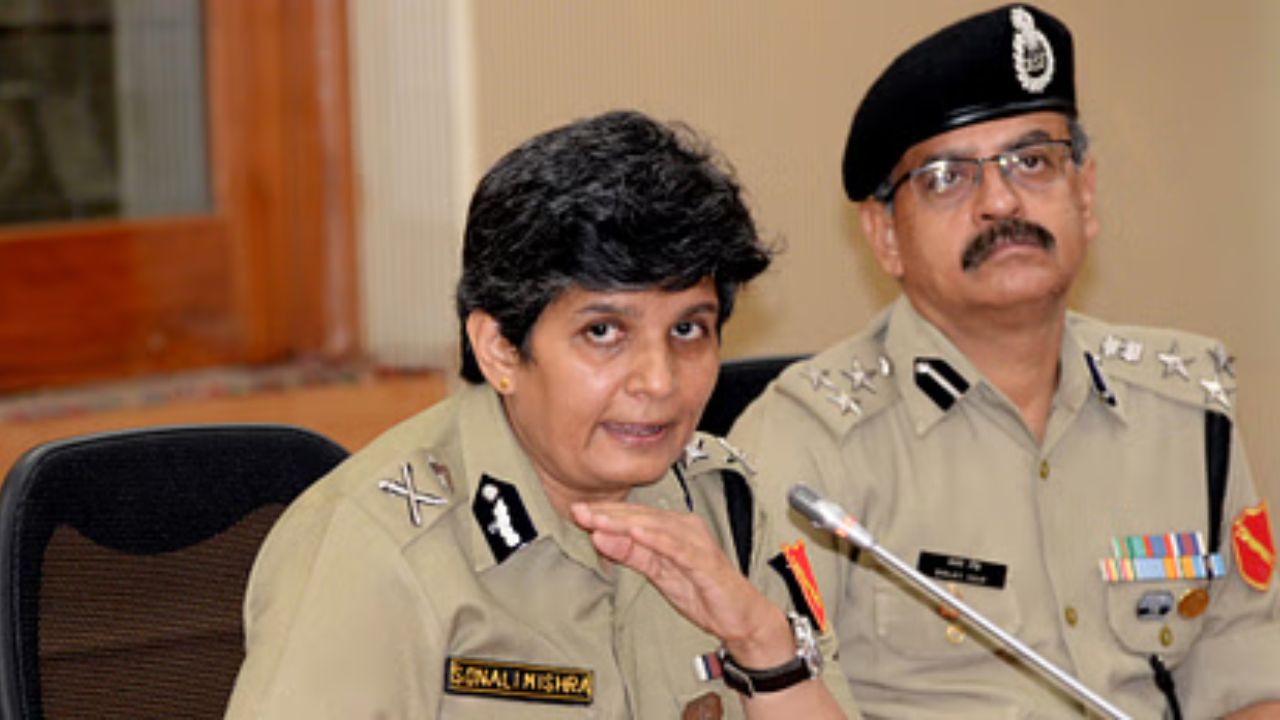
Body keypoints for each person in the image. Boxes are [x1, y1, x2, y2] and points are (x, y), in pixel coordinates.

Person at [731, 4, 1280, 718]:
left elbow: (1250, 682)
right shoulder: (807, 441)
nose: (1001, 200)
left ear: (1085, 193)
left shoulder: (1185, 410)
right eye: (947, 177)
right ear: (884, 234)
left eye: (1033, 161)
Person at [224, 110, 854, 719]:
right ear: (500, 347)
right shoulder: (378, 548)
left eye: (688, 329)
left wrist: (762, 645)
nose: (660, 381)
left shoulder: (726, 503)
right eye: (603, 332)